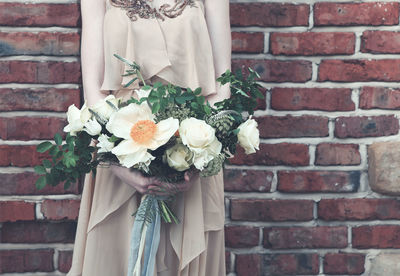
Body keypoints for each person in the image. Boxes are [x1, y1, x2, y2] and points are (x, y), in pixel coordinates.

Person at [67, 0, 231, 275]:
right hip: (119, 152)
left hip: (191, 152)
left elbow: (222, 80)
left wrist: (195, 156)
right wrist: (117, 160)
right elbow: (94, 90)